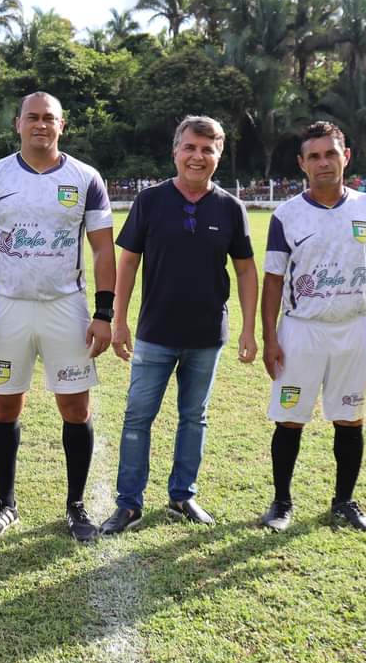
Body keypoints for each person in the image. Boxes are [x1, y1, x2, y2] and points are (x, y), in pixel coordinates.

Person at [0, 91, 116, 542]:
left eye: (50, 118)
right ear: (18, 123)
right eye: (33, 117)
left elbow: (103, 248)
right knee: (5, 404)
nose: (41, 125)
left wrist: (104, 312)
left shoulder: (86, 178)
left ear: (62, 125)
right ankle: (4, 502)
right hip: (9, 306)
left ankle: (76, 505)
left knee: (75, 405)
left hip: (66, 307)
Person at [100, 116, 259, 535]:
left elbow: (245, 271)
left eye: (208, 149)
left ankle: (182, 496)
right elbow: (128, 263)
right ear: (175, 151)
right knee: (138, 417)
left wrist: (248, 329)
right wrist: (119, 321)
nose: (197, 156)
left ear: (219, 155)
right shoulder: (150, 201)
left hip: (207, 336)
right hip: (155, 333)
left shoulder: (230, 208)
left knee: (195, 417)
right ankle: (128, 504)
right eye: (190, 147)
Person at [259, 121, 366, 533]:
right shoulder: (286, 215)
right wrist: (270, 338)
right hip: (301, 331)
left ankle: (345, 502)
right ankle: (281, 503)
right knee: (289, 419)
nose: (324, 162)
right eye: (315, 156)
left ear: (346, 156)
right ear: (302, 164)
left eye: (331, 154)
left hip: (353, 330)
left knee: (350, 418)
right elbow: (272, 281)